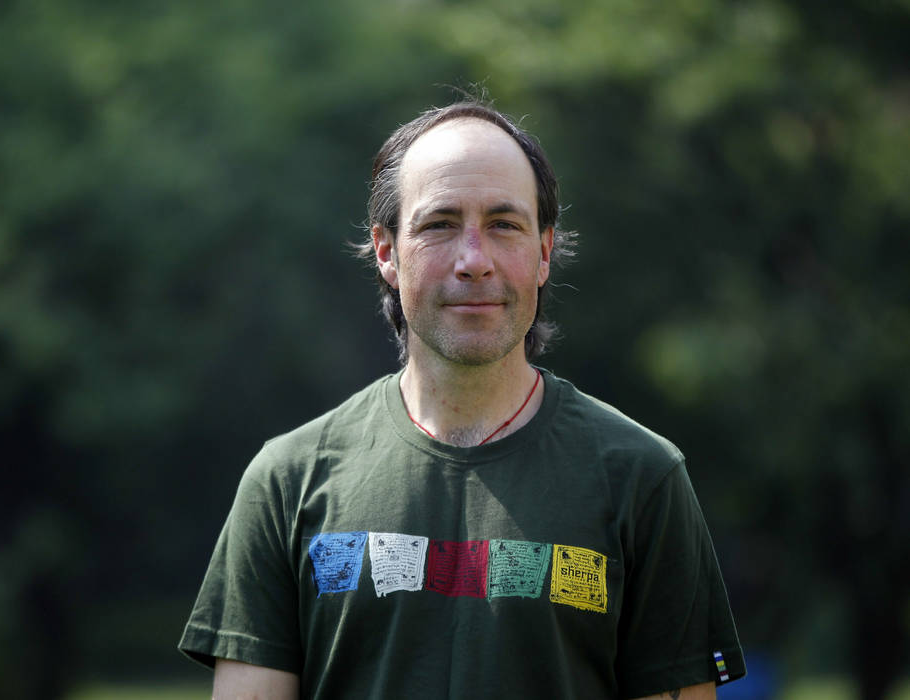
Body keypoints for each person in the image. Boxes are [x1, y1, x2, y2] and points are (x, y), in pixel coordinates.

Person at [179, 98, 746, 699]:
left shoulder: (642, 478)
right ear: (387, 252)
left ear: (545, 252)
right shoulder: (286, 481)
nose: (474, 260)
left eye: (504, 224)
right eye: (439, 224)